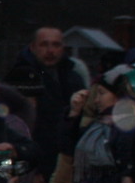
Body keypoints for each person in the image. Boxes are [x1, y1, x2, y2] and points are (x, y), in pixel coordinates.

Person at [6, 26, 88, 161]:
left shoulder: (73, 78)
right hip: (33, 153)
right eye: (44, 44)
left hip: (65, 154)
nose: (50, 50)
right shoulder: (20, 77)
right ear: (33, 47)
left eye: (56, 45)